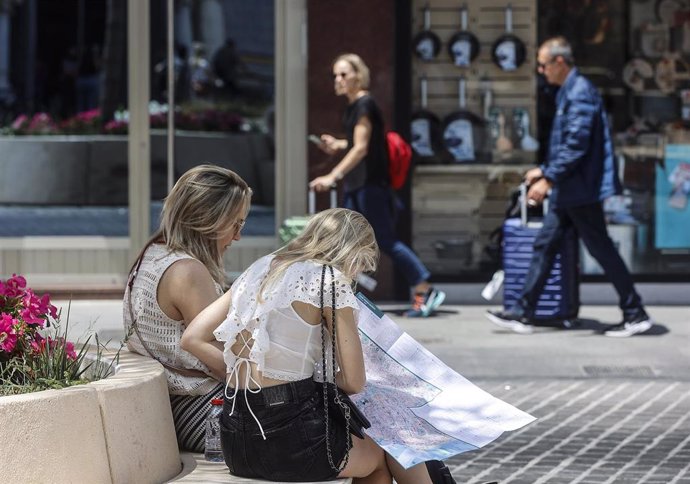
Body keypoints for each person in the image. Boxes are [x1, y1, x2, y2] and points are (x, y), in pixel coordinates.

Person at [181, 208, 461, 483]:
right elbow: (353, 381)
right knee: (384, 455)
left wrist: (242, 376)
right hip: (295, 441)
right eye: (360, 263)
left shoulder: (259, 268)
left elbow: (193, 337)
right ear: (352, 252)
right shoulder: (329, 279)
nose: (357, 273)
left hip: (237, 439)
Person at [486, 37, 652, 337]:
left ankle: (635, 312)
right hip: (571, 188)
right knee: (545, 246)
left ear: (560, 62)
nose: (540, 70)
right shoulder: (570, 91)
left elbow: (576, 145)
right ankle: (523, 313)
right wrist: (545, 170)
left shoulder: (579, 93)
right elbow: (568, 143)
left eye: (543, 64)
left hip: (580, 189)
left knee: (600, 249)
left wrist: (548, 177)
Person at [123, 164, 252, 452]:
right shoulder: (188, 272)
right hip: (202, 408)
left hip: (173, 404)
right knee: (351, 438)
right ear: (209, 220)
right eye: (236, 224)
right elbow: (226, 363)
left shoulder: (153, 253)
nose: (238, 237)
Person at [309, 53, 445, 318]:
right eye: (335, 75)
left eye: (344, 74)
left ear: (358, 76)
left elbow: (361, 149)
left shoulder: (364, 105)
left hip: (371, 186)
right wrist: (336, 145)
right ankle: (340, 294)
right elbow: (361, 144)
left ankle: (424, 287)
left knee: (385, 240)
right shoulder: (353, 106)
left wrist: (332, 176)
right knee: (346, 238)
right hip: (358, 185)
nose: (338, 79)